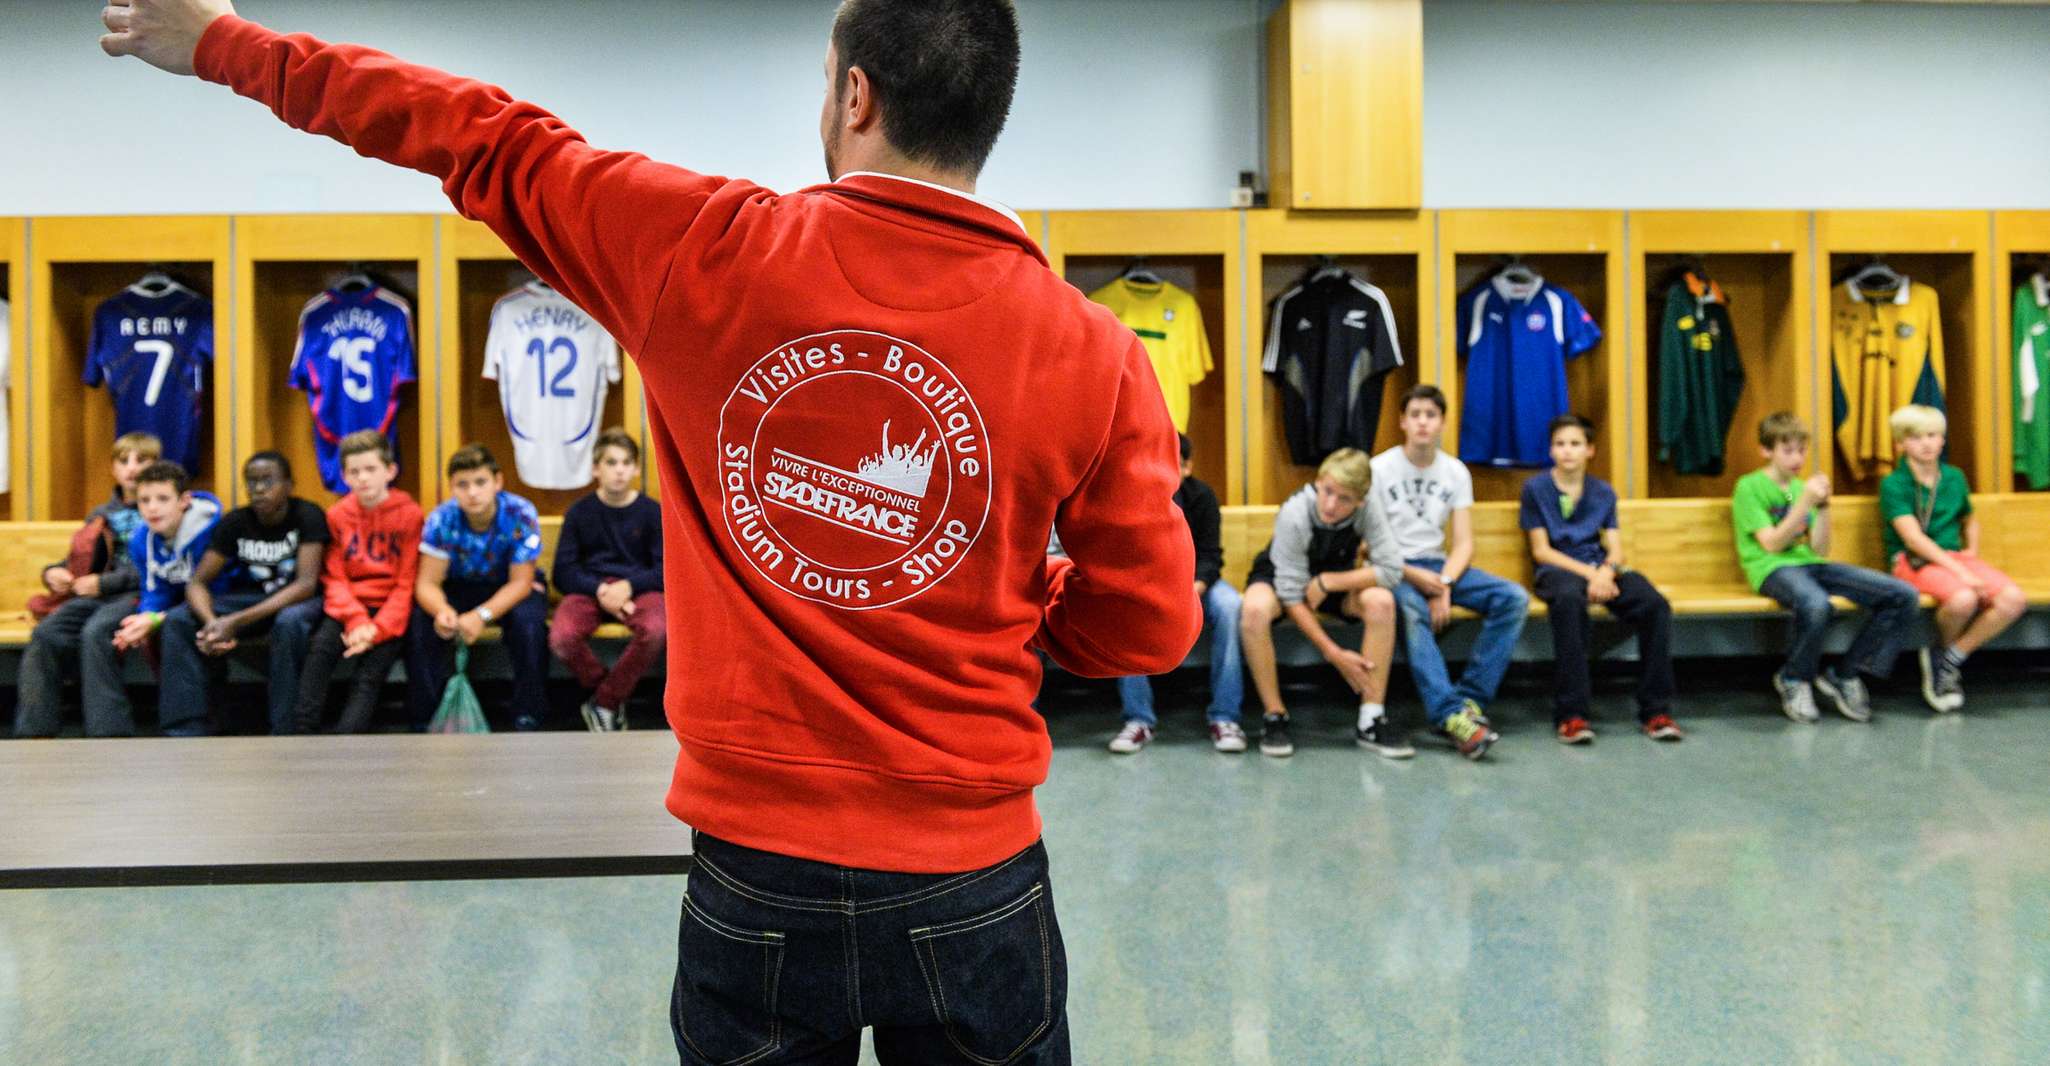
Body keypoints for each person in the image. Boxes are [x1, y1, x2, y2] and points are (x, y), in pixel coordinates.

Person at [109, 2, 1196, 1060]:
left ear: (855, 95)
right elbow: (1145, 629)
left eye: (827, 81)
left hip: (757, 868)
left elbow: (473, 131)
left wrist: (228, 45)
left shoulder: (703, 248)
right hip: (975, 872)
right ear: (988, 113)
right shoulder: (1095, 351)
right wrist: (1021, 598)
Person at [1733, 412, 1919, 724]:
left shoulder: (1799, 488)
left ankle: (1845, 674)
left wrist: (1822, 508)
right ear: (1766, 450)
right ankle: (1794, 678)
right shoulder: (1749, 487)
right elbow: (1772, 544)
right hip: (1771, 569)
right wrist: (1805, 503)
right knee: (1817, 603)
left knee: (1902, 595)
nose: (1797, 458)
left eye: (1801, 450)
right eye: (1787, 451)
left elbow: (1819, 549)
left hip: (1811, 564)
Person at [1375, 384, 1526, 761]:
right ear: (1402, 422)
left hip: (1439, 567)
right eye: (1415, 415)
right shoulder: (1380, 469)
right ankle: (1449, 716)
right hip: (1395, 569)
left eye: (1431, 415)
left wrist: (1443, 584)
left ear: (1442, 423)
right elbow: (1372, 545)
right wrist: (1415, 577)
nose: (1423, 423)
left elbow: (1463, 544)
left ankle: (1470, 701)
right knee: (1413, 611)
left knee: (1513, 599)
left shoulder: (1455, 472)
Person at [1519, 415, 1683, 744]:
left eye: (1575, 444)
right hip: (1558, 571)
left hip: (1599, 567)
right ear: (1551, 450)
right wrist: (1592, 575)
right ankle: (1572, 715)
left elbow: (1616, 549)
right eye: (1560, 444)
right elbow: (1542, 551)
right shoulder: (1535, 489)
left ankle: (1656, 711)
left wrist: (1606, 572)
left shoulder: (1603, 492)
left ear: (1590, 450)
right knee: (1569, 603)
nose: (1567, 451)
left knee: (1654, 605)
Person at [1238, 447, 1408, 759]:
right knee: (1253, 610)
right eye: (1327, 491)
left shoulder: (1369, 509)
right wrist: (1333, 653)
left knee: (1382, 601)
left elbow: (1392, 570)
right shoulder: (1295, 512)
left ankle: (1371, 718)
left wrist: (1329, 582)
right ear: (1318, 482)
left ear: (1360, 501)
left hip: (1332, 579)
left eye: (1344, 499)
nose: (1331, 505)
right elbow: (1290, 594)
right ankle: (1275, 715)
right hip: (1282, 578)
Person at [160, 451, 330, 735]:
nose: (259, 489)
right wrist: (213, 623)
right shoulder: (236, 521)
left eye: (268, 481)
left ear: (288, 485)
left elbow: (306, 585)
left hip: (298, 600)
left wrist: (235, 621)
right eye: (251, 482)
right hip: (252, 600)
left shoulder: (307, 516)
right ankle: (186, 729)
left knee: (289, 623)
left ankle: (285, 729)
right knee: (178, 620)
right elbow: (197, 582)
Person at [1878, 404, 2027, 712]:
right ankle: (1943, 661)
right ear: (1900, 443)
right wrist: (1963, 573)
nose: (1927, 443)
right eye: (1916, 437)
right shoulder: (1893, 484)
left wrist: (1972, 551)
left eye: (1933, 435)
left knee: (2013, 599)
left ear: (1942, 439)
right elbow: (1914, 540)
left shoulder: (1954, 477)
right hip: (1912, 561)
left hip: (1954, 558)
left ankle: (1948, 658)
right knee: (1962, 599)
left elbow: (1969, 519)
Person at [14, 432, 161, 737]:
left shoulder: (159, 509)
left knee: (96, 631)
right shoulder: (101, 514)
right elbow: (76, 559)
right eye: (124, 461)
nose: (132, 468)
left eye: (142, 460)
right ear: (113, 468)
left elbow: (160, 567)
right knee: (46, 633)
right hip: (96, 596)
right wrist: (53, 574)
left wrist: (104, 583)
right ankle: (33, 733)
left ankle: (108, 732)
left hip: (140, 595)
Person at [1108, 434, 1245, 753]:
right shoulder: (1136, 497)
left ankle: (1225, 717)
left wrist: (1192, 590)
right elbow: (1129, 556)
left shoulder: (1203, 497)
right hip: (1152, 586)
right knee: (1124, 607)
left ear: (1187, 467)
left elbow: (1211, 556)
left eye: (1176, 465)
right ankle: (1138, 719)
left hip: (1198, 585)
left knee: (1230, 606)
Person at [408, 444, 550, 731]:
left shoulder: (520, 513)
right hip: (459, 586)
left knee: (529, 625)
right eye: (462, 485)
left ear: (497, 482)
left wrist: (481, 616)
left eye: (480, 482)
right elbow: (427, 583)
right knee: (420, 623)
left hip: (510, 586)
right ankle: (424, 717)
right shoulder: (442, 519)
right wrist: (442, 610)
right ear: (452, 487)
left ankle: (529, 714)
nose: (472, 492)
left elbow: (521, 583)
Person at [293, 430, 423, 733]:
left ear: (390, 471)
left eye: (371, 469)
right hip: (348, 609)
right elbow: (334, 577)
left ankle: (348, 738)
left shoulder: (411, 515)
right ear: (344, 476)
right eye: (354, 472)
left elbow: (406, 583)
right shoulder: (337, 515)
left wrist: (375, 630)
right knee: (320, 653)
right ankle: (301, 732)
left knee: (369, 675)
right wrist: (356, 620)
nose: (363, 478)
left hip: (389, 612)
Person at [549, 428, 665, 733]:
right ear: (595, 469)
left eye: (626, 463)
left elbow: (664, 569)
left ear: (636, 469)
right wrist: (601, 590)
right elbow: (563, 571)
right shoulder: (579, 512)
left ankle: (603, 702)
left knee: (656, 630)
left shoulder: (651, 512)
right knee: (562, 637)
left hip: (639, 589)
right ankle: (610, 695)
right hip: (590, 589)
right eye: (611, 463)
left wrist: (627, 587)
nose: (619, 470)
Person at [108, 460, 223, 736]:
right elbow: (155, 591)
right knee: (143, 627)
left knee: (176, 623)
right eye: (144, 500)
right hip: (182, 605)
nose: (152, 508)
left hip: (222, 598)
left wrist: (159, 618)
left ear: (184, 501)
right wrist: (145, 617)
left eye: (162, 499)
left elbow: (217, 588)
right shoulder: (142, 540)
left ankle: (185, 729)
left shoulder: (212, 531)